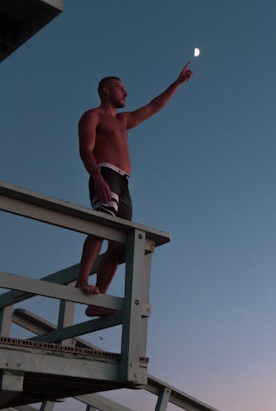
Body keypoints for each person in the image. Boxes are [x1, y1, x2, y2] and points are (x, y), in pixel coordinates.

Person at [76, 63, 192, 315]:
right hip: (105, 173)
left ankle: (97, 302)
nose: (125, 93)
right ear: (106, 90)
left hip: (124, 181)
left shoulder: (123, 120)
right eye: (120, 89)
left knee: (119, 244)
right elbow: (85, 150)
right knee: (101, 223)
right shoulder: (93, 116)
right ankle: (83, 279)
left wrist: (177, 82)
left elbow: (152, 107)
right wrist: (97, 177)